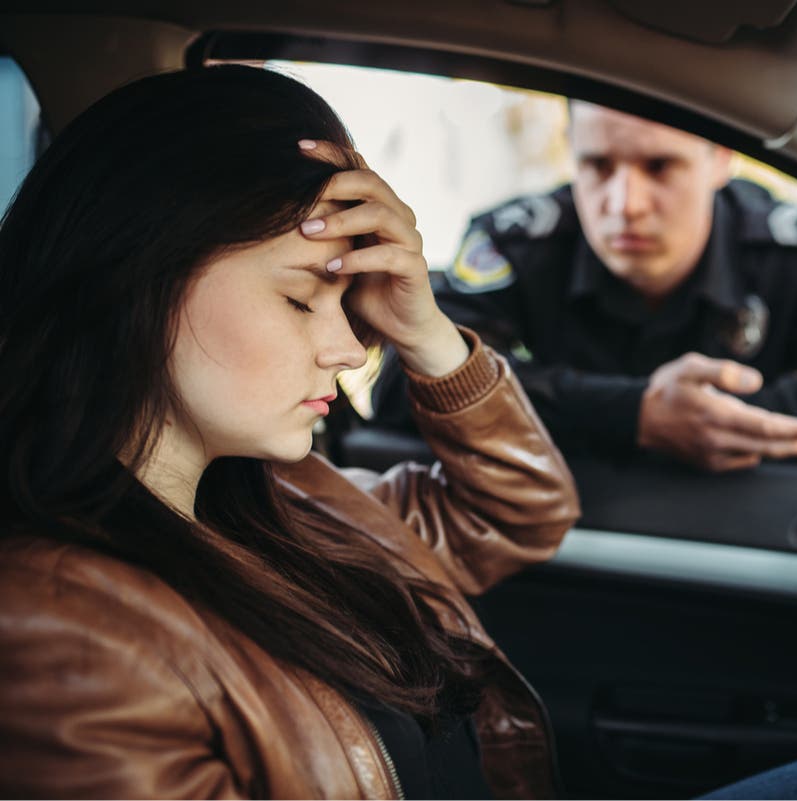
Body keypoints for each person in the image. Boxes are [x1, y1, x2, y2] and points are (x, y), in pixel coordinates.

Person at [0, 65, 580, 798]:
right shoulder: (60, 630)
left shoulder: (281, 499)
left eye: (347, 300)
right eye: (302, 298)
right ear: (134, 279)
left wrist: (423, 329)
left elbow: (521, 512)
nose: (347, 350)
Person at [371, 101, 797, 472]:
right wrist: (634, 413)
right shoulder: (518, 241)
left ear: (721, 159)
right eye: (597, 166)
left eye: (660, 167)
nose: (624, 205)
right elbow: (402, 385)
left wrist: (700, 416)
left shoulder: (795, 248)